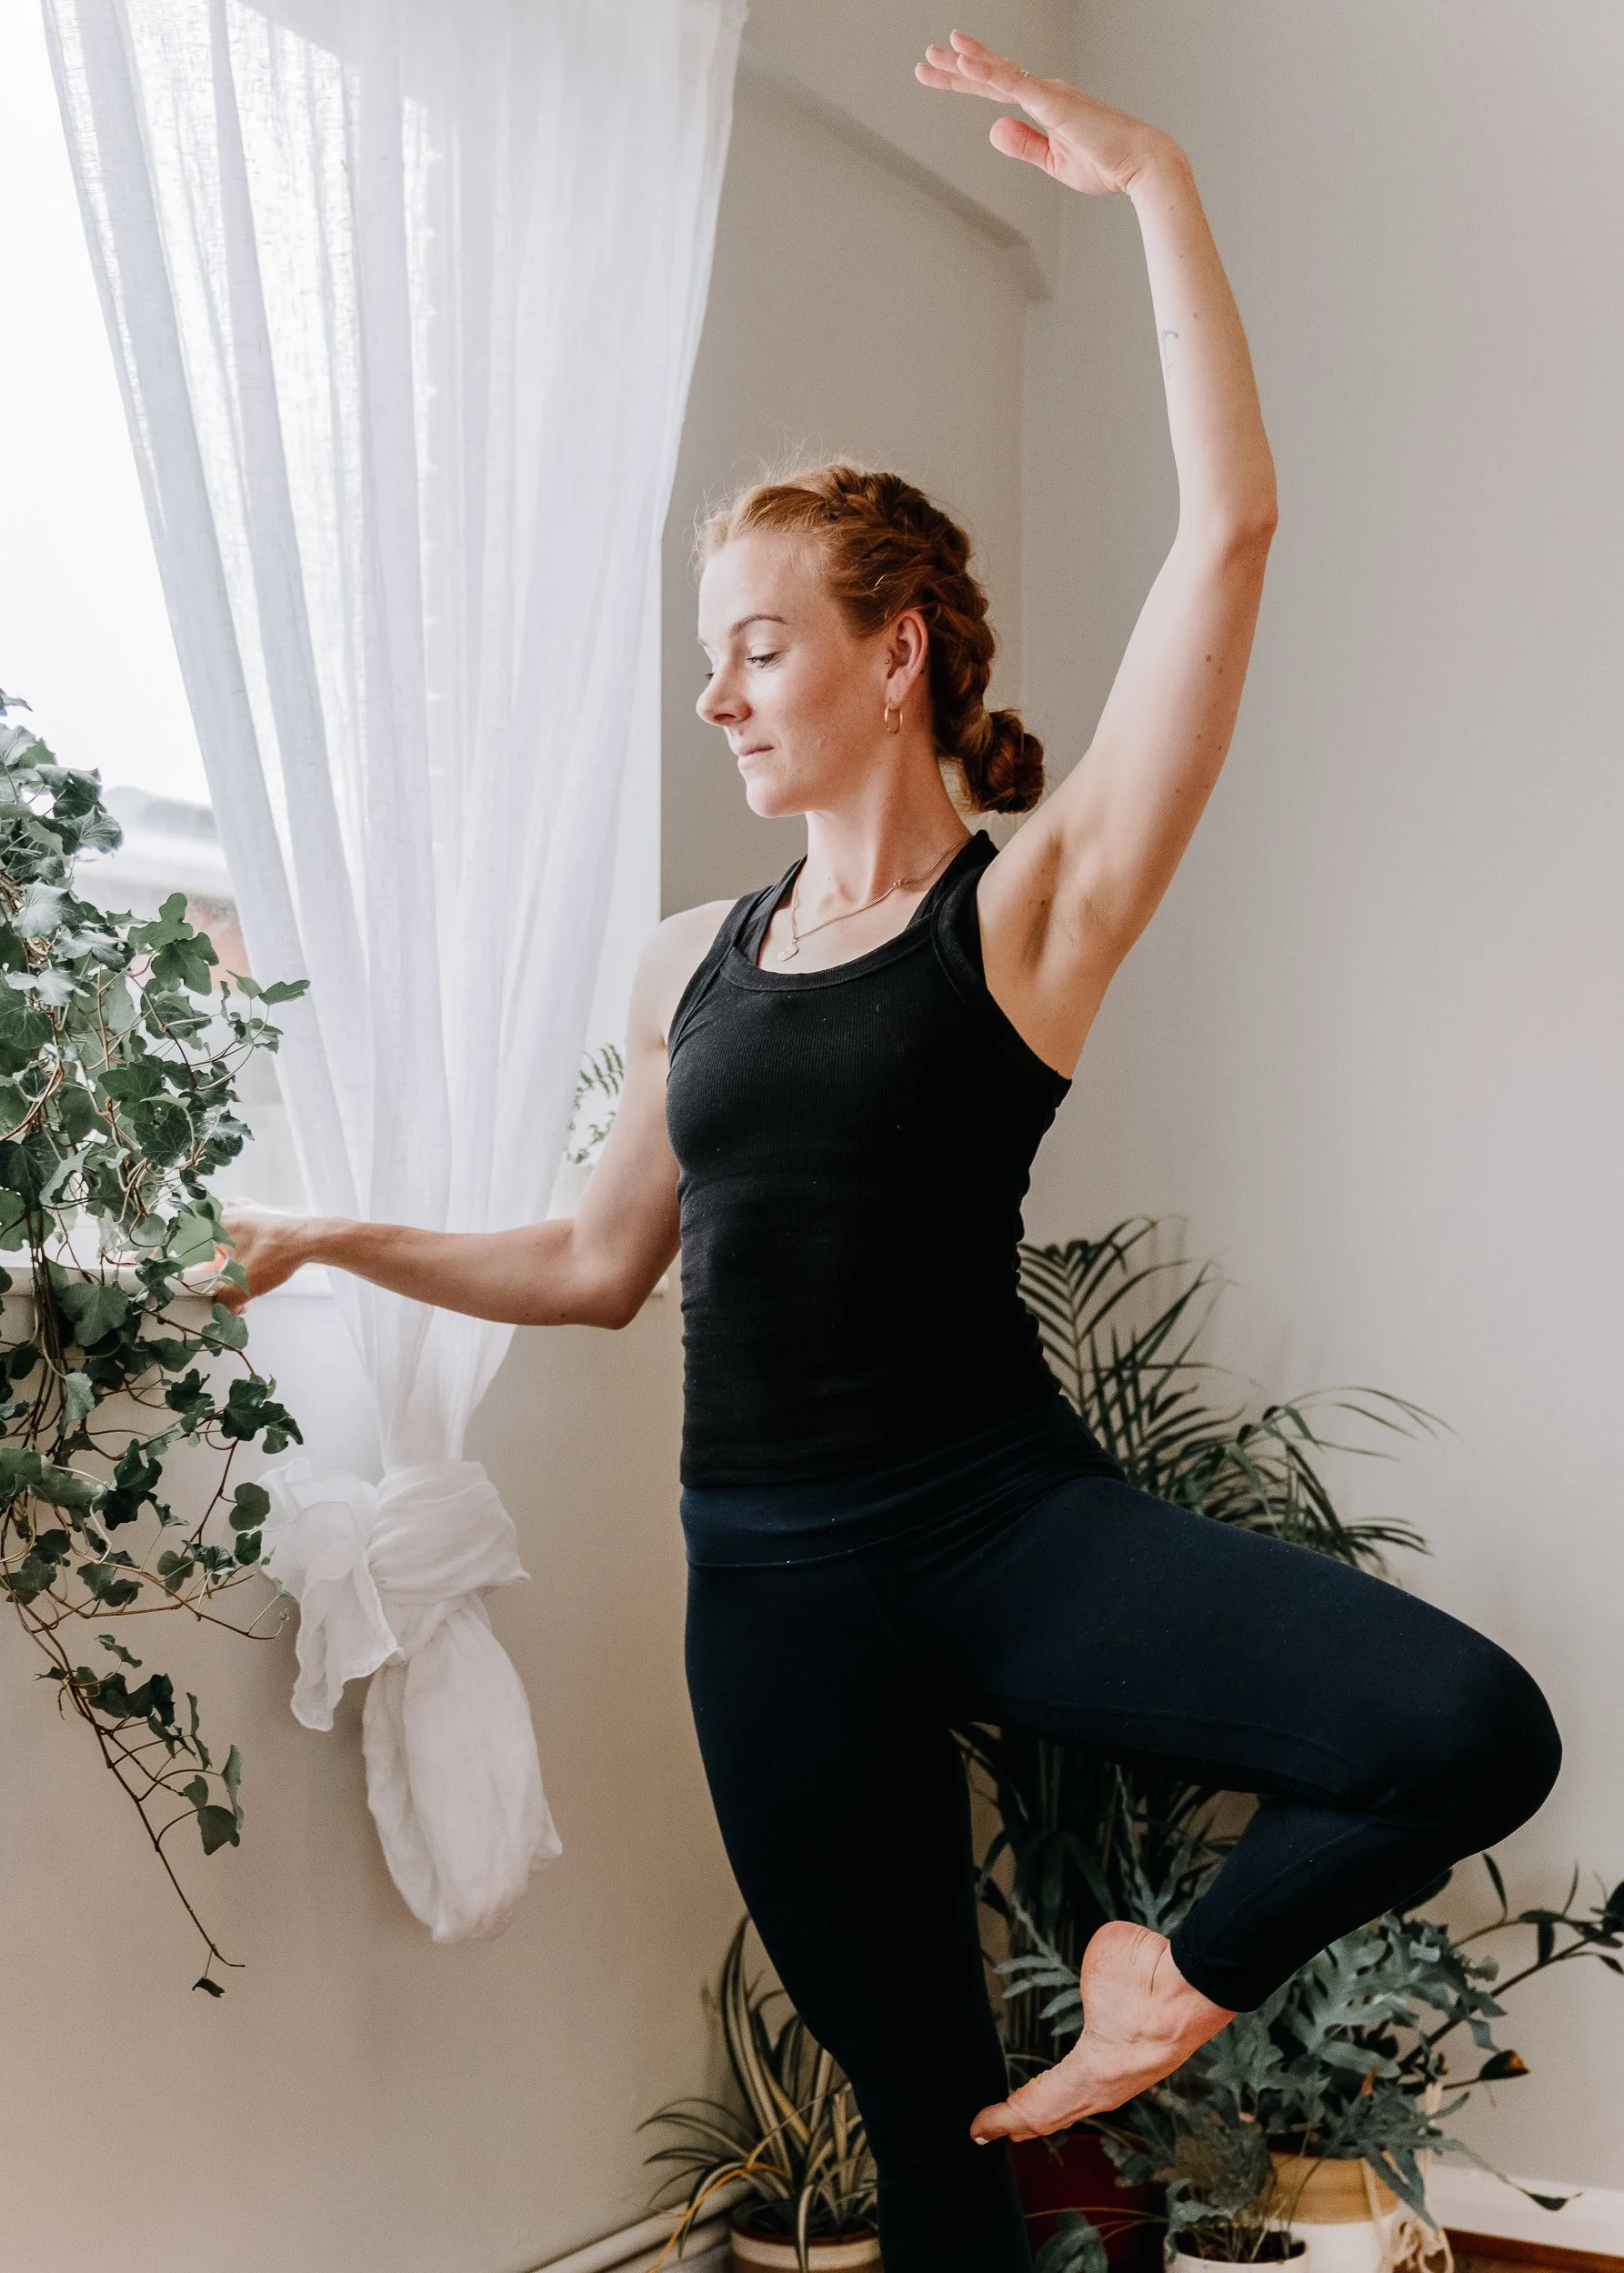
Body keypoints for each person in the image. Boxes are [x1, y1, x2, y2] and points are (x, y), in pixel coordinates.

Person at [216, 32, 1561, 2273]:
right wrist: (332, 1227)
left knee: (1460, 1723)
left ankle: (1169, 1979)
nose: (721, 694)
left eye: (760, 646)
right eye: (708, 658)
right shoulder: (690, 959)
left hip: (1001, 1521)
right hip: (768, 1590)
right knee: (930, 2145)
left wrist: (1147, 186)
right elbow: (589, 1257)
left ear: (893, 651)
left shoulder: (1022, 914)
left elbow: (1226, 532)